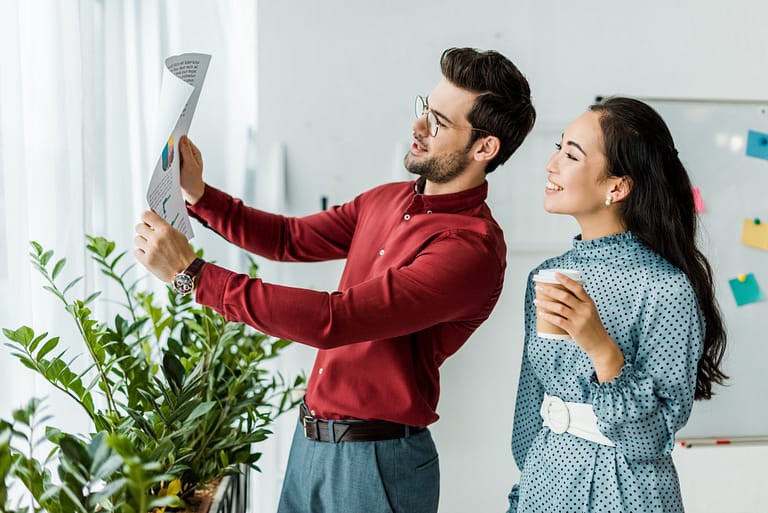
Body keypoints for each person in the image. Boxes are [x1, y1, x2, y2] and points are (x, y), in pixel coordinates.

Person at [134, 47, 536, 513]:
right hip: (311, 446)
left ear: (485, 148)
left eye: (439, 123)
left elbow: (335, 320)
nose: (418, 126)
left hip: (377, 465)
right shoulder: (385, 199)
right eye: (424, 109)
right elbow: (290, 238)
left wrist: (194, 277)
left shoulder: (470, 249)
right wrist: (199, 195)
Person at [505, 96, 727, 513]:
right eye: (559, 149)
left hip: (626, 494)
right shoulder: (547, 276)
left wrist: (601, 348)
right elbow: (527, 416)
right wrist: (528, 487)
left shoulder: (666, 289)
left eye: (571, 155)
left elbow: (649, 441)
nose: (552, 166)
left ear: (617, 186)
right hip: (543, 487)